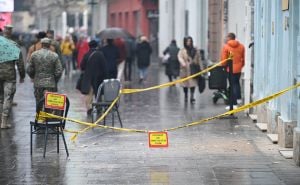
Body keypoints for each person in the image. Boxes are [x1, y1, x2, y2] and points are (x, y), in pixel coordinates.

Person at [0, 25, 26, 129]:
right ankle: (4, 122)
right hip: (9, 75)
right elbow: (20, 63)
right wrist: (22, 76)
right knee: (8, 97)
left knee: (0, 98)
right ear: (10, 32)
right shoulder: (14, 45)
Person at [27, 38, 63, 110]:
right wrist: (55, 79)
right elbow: (59, 70)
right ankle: (47, 117)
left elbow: (29, 69)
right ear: (49, 45)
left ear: (41, 44)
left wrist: (33, 76)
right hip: (51, 83)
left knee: (38, 101)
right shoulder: (54, 55)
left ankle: (39, 117)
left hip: (38, 82)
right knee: (49, 102)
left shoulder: (34, 55)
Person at [80, 40, 107, 115]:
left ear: (89, 46)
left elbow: (82, 66)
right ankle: (99, 108)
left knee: (89, 95)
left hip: (88, 78)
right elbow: (104, 67)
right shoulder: (100, 54)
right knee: (98, 94)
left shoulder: (87, 54)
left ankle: (89, 108)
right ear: (97, 46)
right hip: (99, 78)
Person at [221, 32, 245, 108]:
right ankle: (238, 99)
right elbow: (243, 59)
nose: (225, 38)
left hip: (229, 69)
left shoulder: (226, 47)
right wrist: (241, 66)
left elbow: (224, 60)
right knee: (237, 83)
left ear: (229, 38)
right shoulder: (241, 46)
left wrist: (223, 66)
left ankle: (234, 103)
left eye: (226, 37)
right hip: (238, 69)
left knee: (232, 85)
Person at [178, 36, 203, 104]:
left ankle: (192, 97)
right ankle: (186, 96)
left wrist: (201, 69)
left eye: (190, 41)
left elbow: (199, 59)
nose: (189, 42)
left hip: (193, 69)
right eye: (187, 41)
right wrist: (183, 63)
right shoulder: (182, 50)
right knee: (185, 84)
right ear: (185, 42)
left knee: (193, 83)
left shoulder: (195, 50)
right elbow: (180, 57)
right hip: (185, 69)